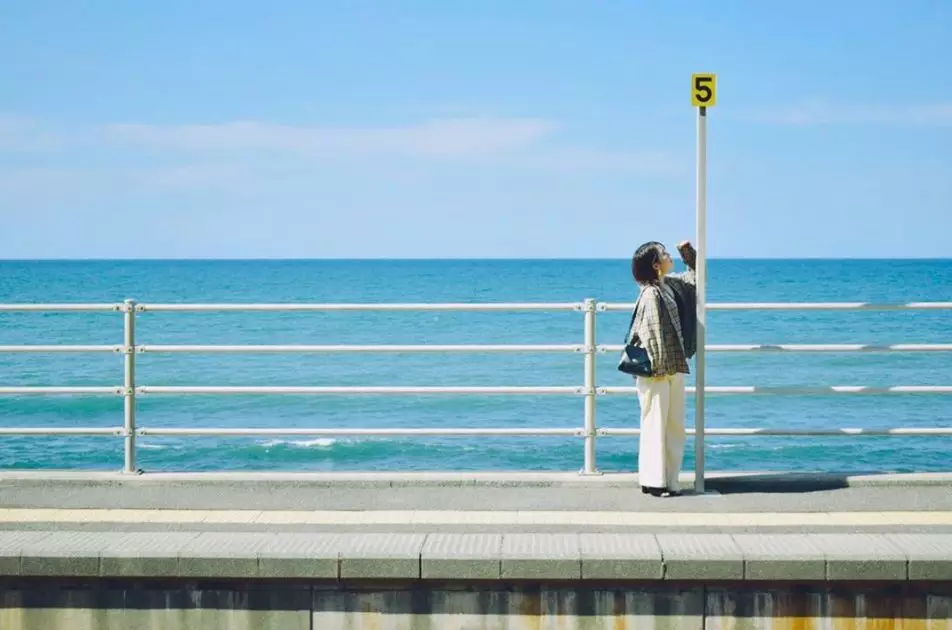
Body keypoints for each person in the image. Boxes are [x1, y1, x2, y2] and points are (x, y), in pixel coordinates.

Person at [628, 240, 697, 497]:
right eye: (665, 254)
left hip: (670, 367)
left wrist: (687, 251)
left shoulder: (667, 287)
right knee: (659, 423)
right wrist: (663, 369)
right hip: (660, 370)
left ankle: (663, 480)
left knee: (670, 424)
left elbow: (696, 277)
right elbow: (650, 334)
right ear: (656, 265)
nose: (670, 256)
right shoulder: (651, 294)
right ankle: (657, 481)